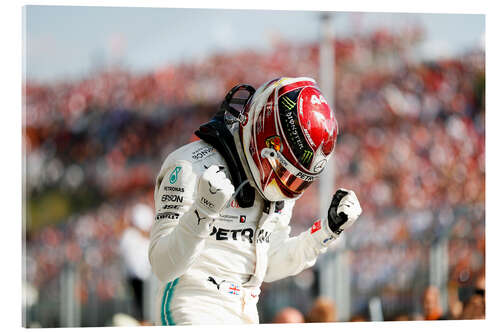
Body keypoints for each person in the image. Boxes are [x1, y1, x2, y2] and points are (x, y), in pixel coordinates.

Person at [148, 77, 362, 325]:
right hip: (192, 306)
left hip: (247, 311)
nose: (285, 184)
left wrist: (326, 232)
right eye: (282, 170)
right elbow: (163, 266)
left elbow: (270, 263)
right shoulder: (189, 167)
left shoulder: (278, 190)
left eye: (297, 180)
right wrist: (202, 212)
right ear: (264, 134)